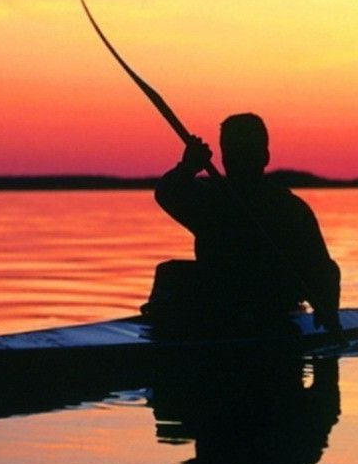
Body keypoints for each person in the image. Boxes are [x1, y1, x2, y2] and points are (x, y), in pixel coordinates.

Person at [147, 113, 342, 334]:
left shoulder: (287, 208)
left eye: (244, 153)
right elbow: (167, 193)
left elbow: (324, 269)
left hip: (268, 305)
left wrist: (327, 308)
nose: (238, 161)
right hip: (222, 302)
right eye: (234, 154)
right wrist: (188, 167)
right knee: (171, 272)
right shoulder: (212, 199)